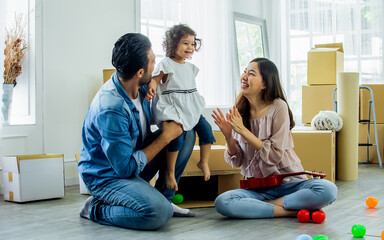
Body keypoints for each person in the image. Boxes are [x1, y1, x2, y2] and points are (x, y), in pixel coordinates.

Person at [78, 33, 196, 231]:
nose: (155, 63)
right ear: (140, 72)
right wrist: (165, 137)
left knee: (185, 132)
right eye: (152, 61)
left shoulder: (140, 88)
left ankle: (163, 197)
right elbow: (124, 168)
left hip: (131, 162)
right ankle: (95, 208)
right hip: (107, 177)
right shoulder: (111, 107)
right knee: (157, 214)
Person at [212, 58, 338, 219]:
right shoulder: (239, 111)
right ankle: (291, 211)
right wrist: (229, 136)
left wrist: (242, 130)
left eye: (251, 73)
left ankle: (267, 207)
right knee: (223, 202)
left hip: (291, 184)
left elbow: (274, 156)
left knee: (328, 189)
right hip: (259, 189)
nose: (244, 76)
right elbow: (237, 161)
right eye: (244, 71)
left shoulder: (278, 106)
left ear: (265, 83)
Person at [146, 24, 215, 190]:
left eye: (192, 44)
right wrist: (153, 86)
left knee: (206, 129)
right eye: (185, 43)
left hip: (189, 107)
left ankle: (203, 161)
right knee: (176, 137)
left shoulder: (190, 67)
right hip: (173, 108)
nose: (190, 47)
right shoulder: (167, 64)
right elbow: (155, 79)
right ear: (173, 44)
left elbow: (189, 92)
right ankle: (170, 172)